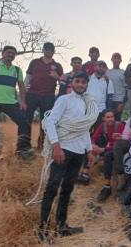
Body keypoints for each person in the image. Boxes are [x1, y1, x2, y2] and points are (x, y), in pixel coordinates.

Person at [38, 71, 97, 243]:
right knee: (52, 188)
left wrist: (89, 151)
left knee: (67, 189)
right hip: (63, 150)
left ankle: (61, 226)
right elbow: (50, 121)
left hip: (78, 153)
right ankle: (42, 230)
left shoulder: (87, 103)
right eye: (77, 82)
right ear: (72, 83)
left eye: (83, 82)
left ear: (86, 85)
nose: (80, 85)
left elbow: (84, 128)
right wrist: (56, 146)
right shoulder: (64, 99)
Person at [0, 46, 33, 160]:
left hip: (10, 102)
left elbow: (21, 86)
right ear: (3, 53)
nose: (11, 55)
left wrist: (22, 101)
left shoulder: (17, 70)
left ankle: (22, 151)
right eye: (8, 52)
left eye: (13, 53)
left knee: (24, 122)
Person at [25, 42, 64, 149]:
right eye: (46, 49)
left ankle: (41, 145)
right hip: (32, 94)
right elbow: (27, 78)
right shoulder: (34, 62)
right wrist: (23, 94)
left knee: (45, 121)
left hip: (48, 96)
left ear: (54, 51)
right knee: (27, 119)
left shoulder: (57, 66)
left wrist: (57, 77)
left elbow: (63, 83)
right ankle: (24, 144)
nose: (49, 51)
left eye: (51, 50)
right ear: (43, 50)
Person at [91, 109, 125, 202]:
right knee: (101, 152)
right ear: (103, 118)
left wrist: (103, 149)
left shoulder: (120, 125)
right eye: (108, 117)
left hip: (120, 150)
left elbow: (123, 142)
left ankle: (108, 185)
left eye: (112, 117)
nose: (110, 119)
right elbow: (94, 137)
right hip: (109, 148)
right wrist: (93, 145)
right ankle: (86, 174)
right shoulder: (103, 126)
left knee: (107, 155)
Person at [87, 60, 115, 131]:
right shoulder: (88, 79)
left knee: (99, 132)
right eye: (99, 66)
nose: (101, 68)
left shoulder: (108, 81)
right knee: (86, 132)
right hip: (88, 111)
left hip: (101, 111)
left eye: (103, 67)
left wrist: (107, 112)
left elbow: (110, 97)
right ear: (95, 67)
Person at [106, 53, 126, 121]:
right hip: (108, 100)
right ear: (111, 59)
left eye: (118, 58)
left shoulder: (123, 73)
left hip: (119, 100)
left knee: (118, 120)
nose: (116, 60)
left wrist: (123, 103)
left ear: (121, 60)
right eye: (115, 58)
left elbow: (126, 89)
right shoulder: (107, 72)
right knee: (109, 120)